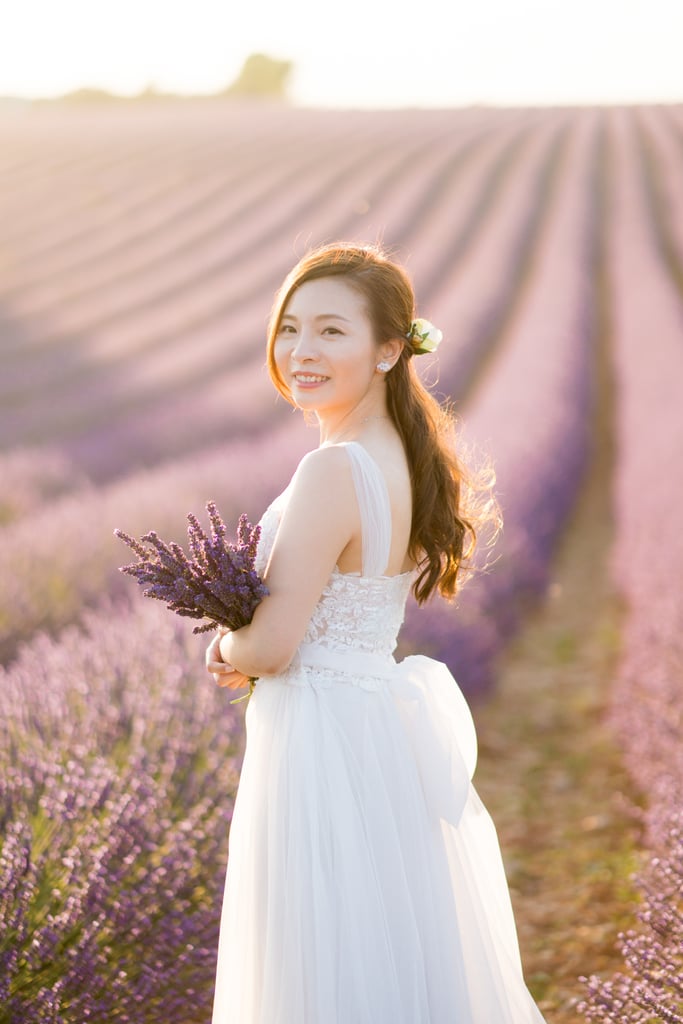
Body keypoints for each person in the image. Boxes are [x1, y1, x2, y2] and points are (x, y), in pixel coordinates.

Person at [205, 243, 547, 1023]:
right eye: (289, 329)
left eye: (331, 331)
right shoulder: (396, 456)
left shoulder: (331, 471)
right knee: (382, 942)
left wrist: (223, 647)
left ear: (390, 349)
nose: (300, 351)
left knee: (321, 956)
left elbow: (272, 647)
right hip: (370, 728)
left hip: (319, 735)